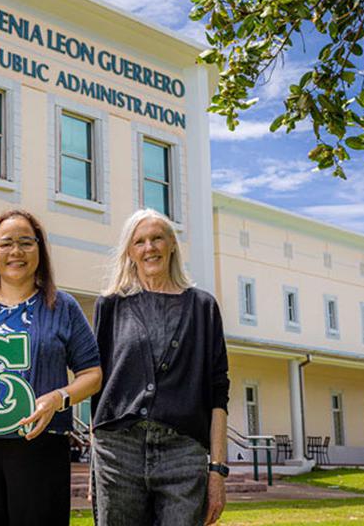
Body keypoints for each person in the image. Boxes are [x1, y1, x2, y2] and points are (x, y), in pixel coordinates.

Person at [0, 209, 102, 526]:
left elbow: (92, 374)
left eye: (26, 242)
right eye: (6, 243)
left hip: (40, 446)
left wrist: (57, 399)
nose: (16, 252)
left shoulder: (62, 306)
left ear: (40, 249)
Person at [90, 208, 230, 526]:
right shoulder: (111, 305)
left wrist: (217, 470)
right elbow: (97, 387)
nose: (149, 247)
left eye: (157, 238)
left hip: (183, 453)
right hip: (118, 451)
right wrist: (94, 469)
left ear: (172, 245)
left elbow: (218, 393)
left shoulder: (203, 307)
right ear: (130, 252)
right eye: (139, 241)